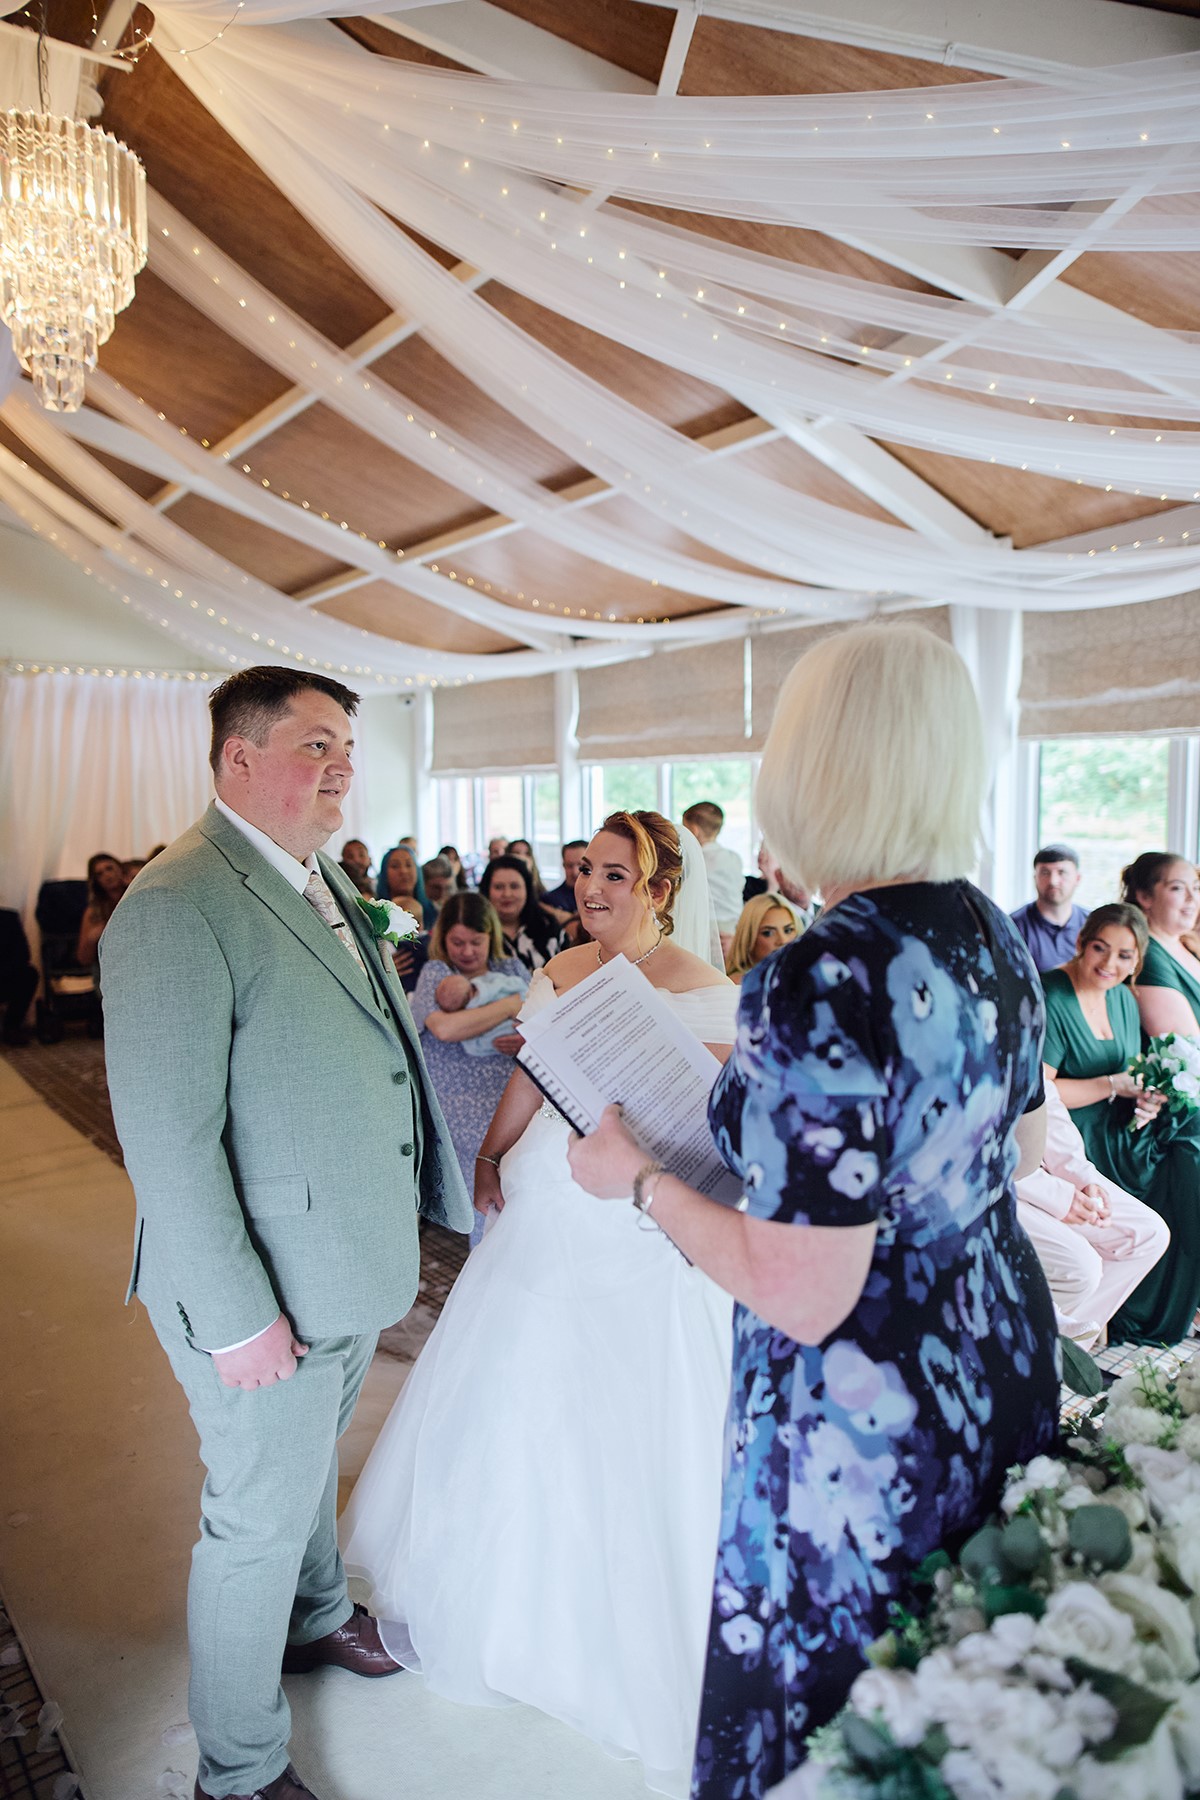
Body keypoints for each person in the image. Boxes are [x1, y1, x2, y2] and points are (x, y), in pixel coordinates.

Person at [569, 624, 1059, 1799]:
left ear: (814, 765)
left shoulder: (820, 970)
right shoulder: (989, 929)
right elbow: (1027, 1146)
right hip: (991, 1347)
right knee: (957, 1699)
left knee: (842, 1720)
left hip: (865, 1414)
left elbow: (802, 1289)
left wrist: (640, 1180)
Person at [100, 666, 472, 1800]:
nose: (342, 769)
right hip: (256, 1284)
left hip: (344, 1260)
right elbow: (169, 1141)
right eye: (315, 746)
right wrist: (235, 1314)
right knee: (253, 1523)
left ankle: (316, 1622)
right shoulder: (176, 902)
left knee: (311, 1471)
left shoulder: (317, 879)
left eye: (347, 748)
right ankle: (239, 1767)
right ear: (238, 760)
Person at [340, 812, 738, 1797]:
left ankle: (610, 1622)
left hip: (639, 1220)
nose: (592, 888)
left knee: (627, 1406)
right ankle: (498, 1596)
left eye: (615, 873)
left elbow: (718, 1117)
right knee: (515, 1392)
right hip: (543, 1203)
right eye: (583, 871)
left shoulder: (706, 986)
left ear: (659, 886)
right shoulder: (559, 968)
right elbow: (530, 1071)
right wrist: (485, 1153)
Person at [1042, 901, 1200, 1345]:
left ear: (1138, 961)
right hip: (1068, 1134)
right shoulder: (1052, 995)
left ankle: (1157, 1310)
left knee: (1185, 1156)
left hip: (1117, 1124)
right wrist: (1113, 1085)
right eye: (1099, 948)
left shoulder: (1124, 1000)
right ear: (1080, 943)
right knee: (1176, 1168)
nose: (1110, 964)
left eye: (1125, 956)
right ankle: (1103, 1323)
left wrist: (1146, 1100)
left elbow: (1131, 1076)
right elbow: (1040, 1095)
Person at [406, 891, 528, 1250]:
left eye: (476, 941)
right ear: (443, 939)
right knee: (482, 1193)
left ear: (491, 935)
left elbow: (536, 1024)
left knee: (517, 1185)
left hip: (506, 1095)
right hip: (457, 1105)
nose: (467, 951)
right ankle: (485, 1261)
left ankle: (513, 1258)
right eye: (457, 942)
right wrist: (510, 1004)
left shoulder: (511, 969)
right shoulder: (438, 974)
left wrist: (523, 1034)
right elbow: (445, 1029)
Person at [1016, 1078, 1169, 1350]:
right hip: (993, 1183)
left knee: (1148, 1234)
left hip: (1043, 1168)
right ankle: (1032, 1356)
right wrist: (1060, 1198)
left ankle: (1067, 1356)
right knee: (1082, 1269)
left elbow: (1047, 1103)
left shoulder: (1023, 1036)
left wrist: (1081, 1178)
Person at [1122, 851, 1200, 1037]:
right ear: (1145, 897)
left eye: (1196, 887)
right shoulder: (1146, 956)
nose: (1192, 898)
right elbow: (1185, 1046)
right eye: (1177, 888)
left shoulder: (1187, 945)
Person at [1009, 843, 1089, 974]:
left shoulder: (1093, 924)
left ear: (1077, 878)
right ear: (1035, 878)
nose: (1053, 881)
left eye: (1061, 872)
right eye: (1045, 873)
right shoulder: (1013, 926)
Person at [478, 853, 562, 972]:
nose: (507, 894)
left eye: (514, 886)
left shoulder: (548, 926)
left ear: (527, 889)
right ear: (487, 891)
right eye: (498, 887)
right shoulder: (476, 931)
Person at [682, 802, 744, 957]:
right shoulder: (734, 858)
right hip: (735, 928)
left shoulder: (695, 861)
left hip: (707, 928)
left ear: (694, 831)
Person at [434, 968, 528, 1055]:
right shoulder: (435, 970)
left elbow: (474, 1047)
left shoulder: (509, 966)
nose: (468, 952)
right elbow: (517, 985)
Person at [724, 892, 798, 983]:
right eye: (768, 933)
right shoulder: (741, 982)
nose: (783, 940)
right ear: (748, 939)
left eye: (788, 930)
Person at [76, 851, 126, 968]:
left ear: (120, 869)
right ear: (96, 881)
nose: (107, 876)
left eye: (109, 868)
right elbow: (83, 959)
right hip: (108, 969)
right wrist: (91, 939)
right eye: (99, 874)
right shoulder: (93, 912)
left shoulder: (136, 900)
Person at [0, 907, 38, 1046]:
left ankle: (12, 1027)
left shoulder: (8, 918)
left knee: (29, 974)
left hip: (5, 975)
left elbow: (23, 955)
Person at [377, 844, 433, 929]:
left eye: (409, 865)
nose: (403, 871)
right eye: (395, 866)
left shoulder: (432, 912)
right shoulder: (376, 914)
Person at [542, 839, 587, 914]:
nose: (575, 872)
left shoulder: (601, 896)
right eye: (569, 866)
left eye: (580, 865)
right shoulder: (549, 900)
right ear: (563, 865)